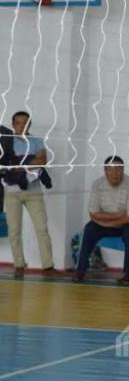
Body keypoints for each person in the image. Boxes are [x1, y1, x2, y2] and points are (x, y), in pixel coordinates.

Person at [3, 111, 54, 278]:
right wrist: (29, 161)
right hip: (12, 192)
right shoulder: (6, 141)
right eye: (18, 123)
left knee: (42, 228)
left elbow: (42, 161)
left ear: (30, 124)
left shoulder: (37, 141)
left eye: (25, 123)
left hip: (33, 190)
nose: (22, 126)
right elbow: (5, 164)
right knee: (14, 231)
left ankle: (48, 266)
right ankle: (19, 265)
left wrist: (17, 163)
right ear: (13, 125)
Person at [74, 155, 129, 282]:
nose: (114, 173)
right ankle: (80, 270)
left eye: (118, 169)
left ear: (123, 169)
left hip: (124, 225)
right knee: (89, 229)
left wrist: (103, 219)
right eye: (110, 169)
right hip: (107, 223)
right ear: (105, 171)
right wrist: (119, 215)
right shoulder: (97, 184)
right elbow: (93, 214)